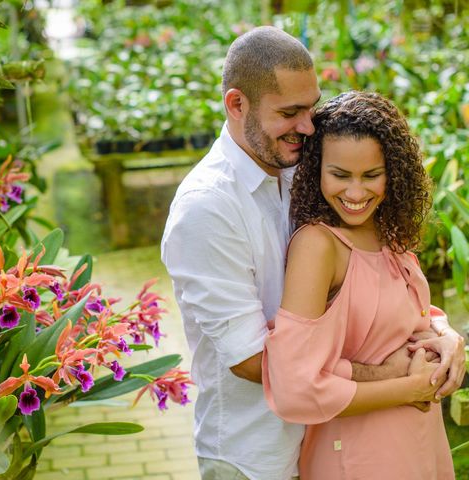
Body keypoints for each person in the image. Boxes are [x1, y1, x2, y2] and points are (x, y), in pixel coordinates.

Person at [161, 26, 465, 480]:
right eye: (289, 112)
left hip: (332, 439)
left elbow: (372, 288)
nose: (307, 127)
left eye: (311, 107)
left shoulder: (307, 168)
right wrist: (393, 376)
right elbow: (251, 359)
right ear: (236, 104)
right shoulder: (207, 208)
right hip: (257, 455)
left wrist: (442, 334)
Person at [262, 91, 456, 479]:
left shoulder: (388, 233)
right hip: (358, 456)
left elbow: (401, 314)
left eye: (371, 175)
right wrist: (410, 388)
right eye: (339, 175)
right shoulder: (319, 246)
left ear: (394, 173)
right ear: (316, 170)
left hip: (419, 442)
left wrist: (447, 335)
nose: (355, 193)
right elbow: (294, 387)